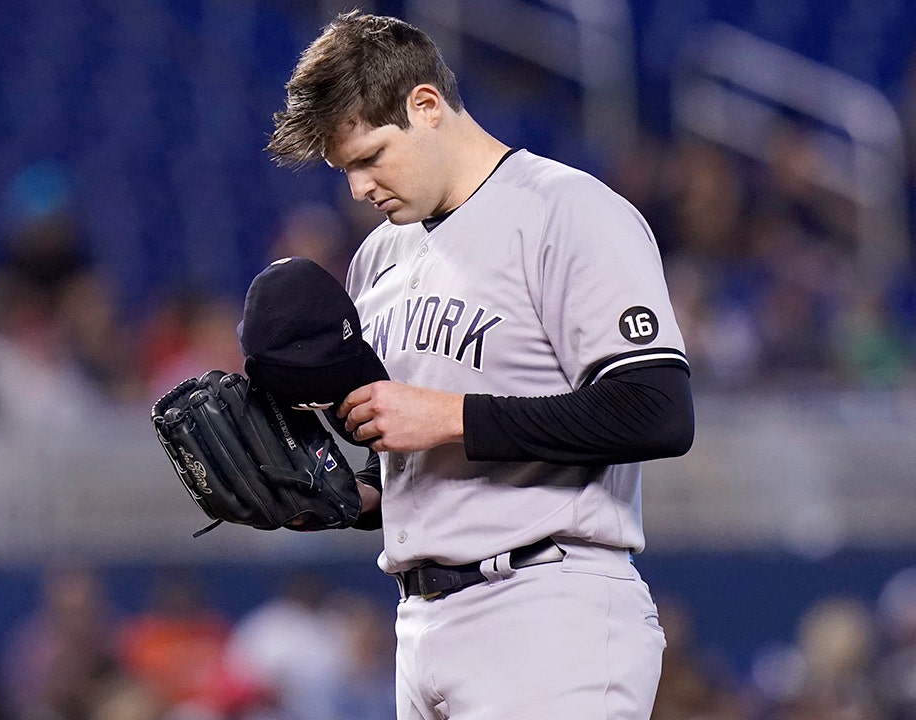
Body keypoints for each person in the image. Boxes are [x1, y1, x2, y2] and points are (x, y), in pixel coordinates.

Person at [265, 11, 694, 720]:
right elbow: (419, 449)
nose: (358, 188)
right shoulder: (378, 257)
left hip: (548, 607)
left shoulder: (568, 211)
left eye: (370, 157)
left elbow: (657, 412)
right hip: (419, 622)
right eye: (345, 171)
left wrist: (451, 418)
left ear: (425, 105)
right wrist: (354, 498)